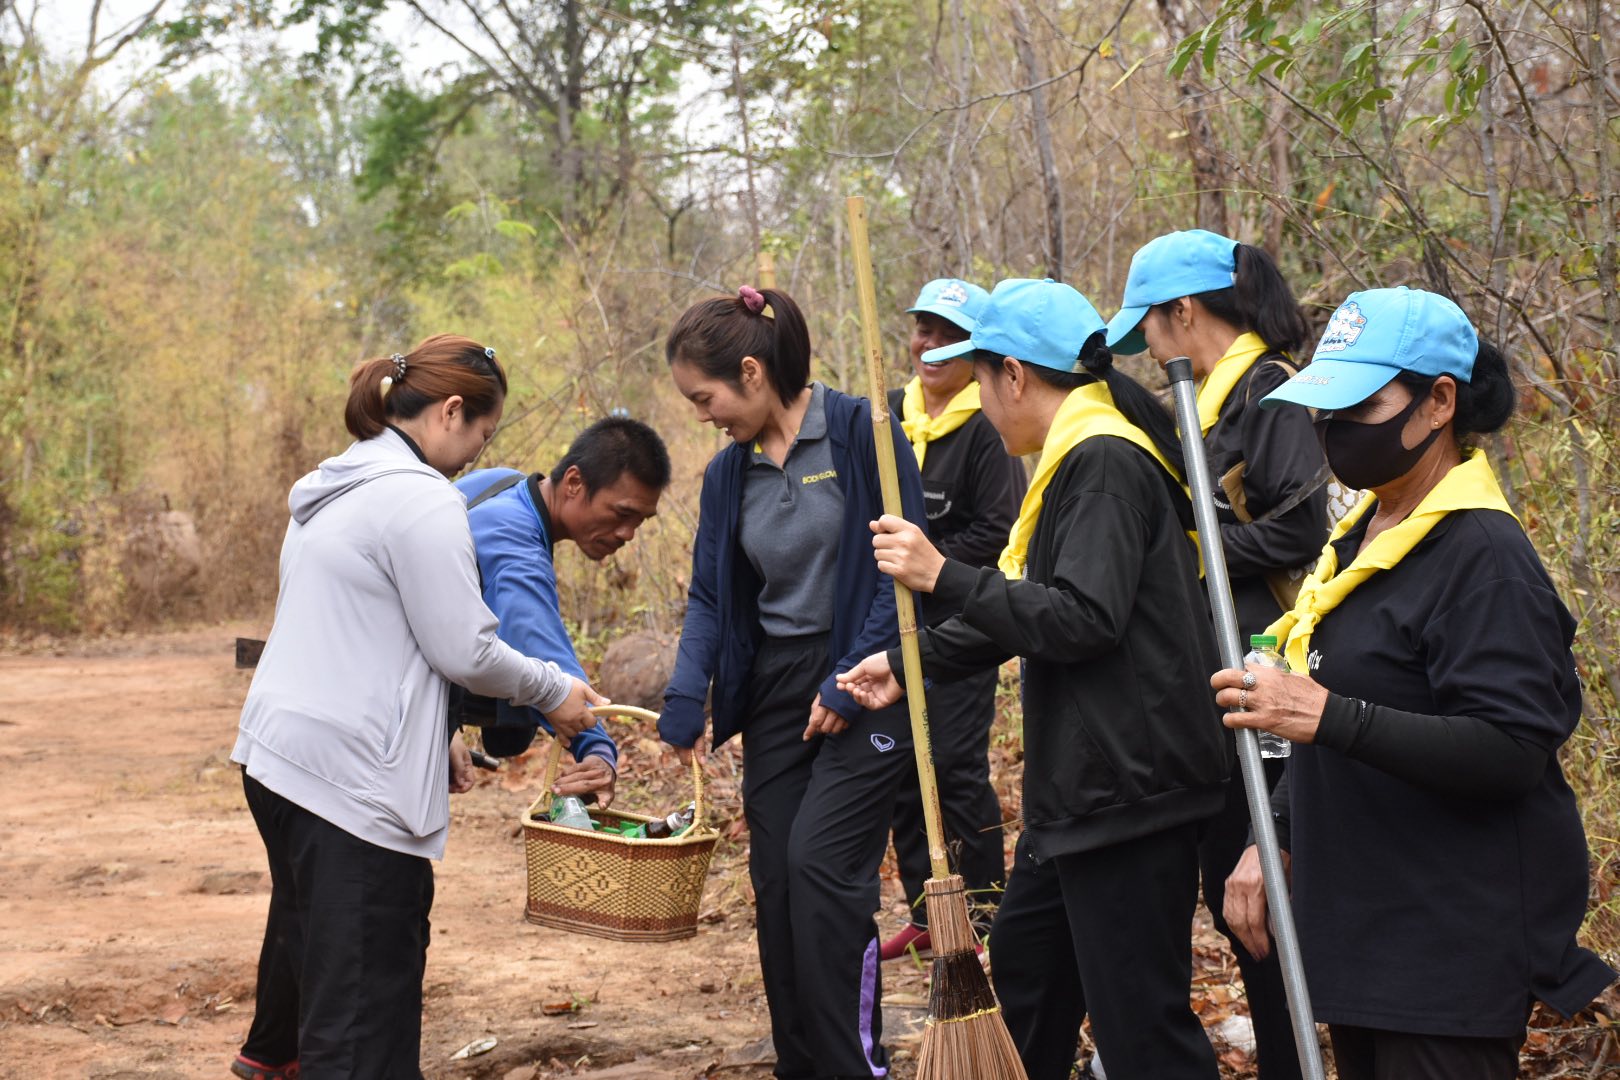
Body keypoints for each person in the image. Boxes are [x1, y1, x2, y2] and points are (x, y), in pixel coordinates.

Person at [1216, 287, 1617, 1080]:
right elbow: (1337, 714)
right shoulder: (1359, 540)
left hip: (1446, 951)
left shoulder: (1483, 557)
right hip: (1363, 937)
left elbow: (1511, 749)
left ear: (1439, 402)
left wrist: (1330, 716)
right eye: (1327, 408)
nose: (1335, 429)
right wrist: (1277, 838)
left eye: (1361, 407)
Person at [839, 278, 1229, 1080]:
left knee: (1141, 1028)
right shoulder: (1074, 462)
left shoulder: (1104, 465)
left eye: (981, 380)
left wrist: (943, 573)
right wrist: (911, 664)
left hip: (1130, 793)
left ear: (1013, 375)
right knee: (1024, 980)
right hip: (1083, 795)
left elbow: (1082, 619)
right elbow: (1032, 607)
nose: (981, 404)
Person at [230, 335, 605, 1080]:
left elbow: (361, 631)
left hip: (279, 758)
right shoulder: (422, 499)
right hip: (349, 785)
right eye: (482, 436)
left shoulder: (333, 485)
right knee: (360, 1014)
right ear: (451, 411)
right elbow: (466, 649)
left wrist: (434, 731)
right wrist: (552, 689)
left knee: (323, 968)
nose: (474, 457)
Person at [659, 285, 926, 1079]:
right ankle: (799, 1065)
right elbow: (711, 595)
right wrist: (686, 695)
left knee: (821, 870)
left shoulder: (861, 433)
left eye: (704, 398)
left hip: (870, 680)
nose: (703, 416)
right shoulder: (727, 474)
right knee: (776, 884)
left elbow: (903, 570)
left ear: (751, 372)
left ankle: (855, 1066)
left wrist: (849, 679)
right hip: (778, 689)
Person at [1104, 229, 1327, 1080]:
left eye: (1151, 325)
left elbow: (1299, 528)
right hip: (1220, 678)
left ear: (1185, 311)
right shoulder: (1206, 403)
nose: (1147, 344)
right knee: (1229, 889)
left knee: (1263, 893)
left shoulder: (1269, 391)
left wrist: (1182, 555)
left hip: (1269, 672)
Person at [880, 277, 1025, 961]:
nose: (931, 345)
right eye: (924, 330)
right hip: (891, 622)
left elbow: (997, 530)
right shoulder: (887, 415)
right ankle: (926, 910)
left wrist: (925, 563)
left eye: (950, 335)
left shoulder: (989, 427)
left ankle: (986, 912)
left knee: (955, 767)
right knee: (903, 764)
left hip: (963, 627)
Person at [454, 415, 672, 805]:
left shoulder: (501, 484)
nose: (628, 534)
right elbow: (539, 647)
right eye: (621, 513)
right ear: (573, 483)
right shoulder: (514, 545)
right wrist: (597, 750)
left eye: (640, 521)